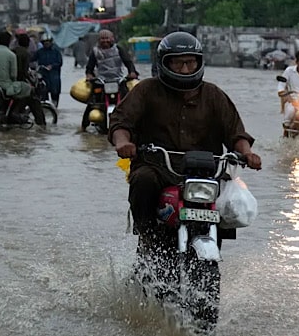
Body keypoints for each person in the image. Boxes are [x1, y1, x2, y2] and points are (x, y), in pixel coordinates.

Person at [108, 31, 262, 257]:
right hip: (158, 168)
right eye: (178, 63)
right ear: (164, 63)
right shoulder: (146, 90)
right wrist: (123, 143)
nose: (185, 69)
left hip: (204, 173)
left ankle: (211, 240)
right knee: (142, 180)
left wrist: (247, 153)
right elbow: (121, 122)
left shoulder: (213, 95)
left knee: (226, 202)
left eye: (190, 62)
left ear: (199, 62)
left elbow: (235, 132)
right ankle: (148, 236)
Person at [0, 31, 45, 128]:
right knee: (29, 89)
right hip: (5, 86)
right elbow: (13, 76)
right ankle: (16, 113)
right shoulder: (11, 55)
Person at [34, 34, 63, 107]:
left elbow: (60, 62)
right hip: (43, 75)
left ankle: (55, 107)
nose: (47, 44)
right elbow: (32, 59)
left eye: (48, 42)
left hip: (54, 76)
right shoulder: (39, 52)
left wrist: (52, 66)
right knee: (43, 94)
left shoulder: (56, 51)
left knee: (55, 93)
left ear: (51, 42)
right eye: (45, 42)